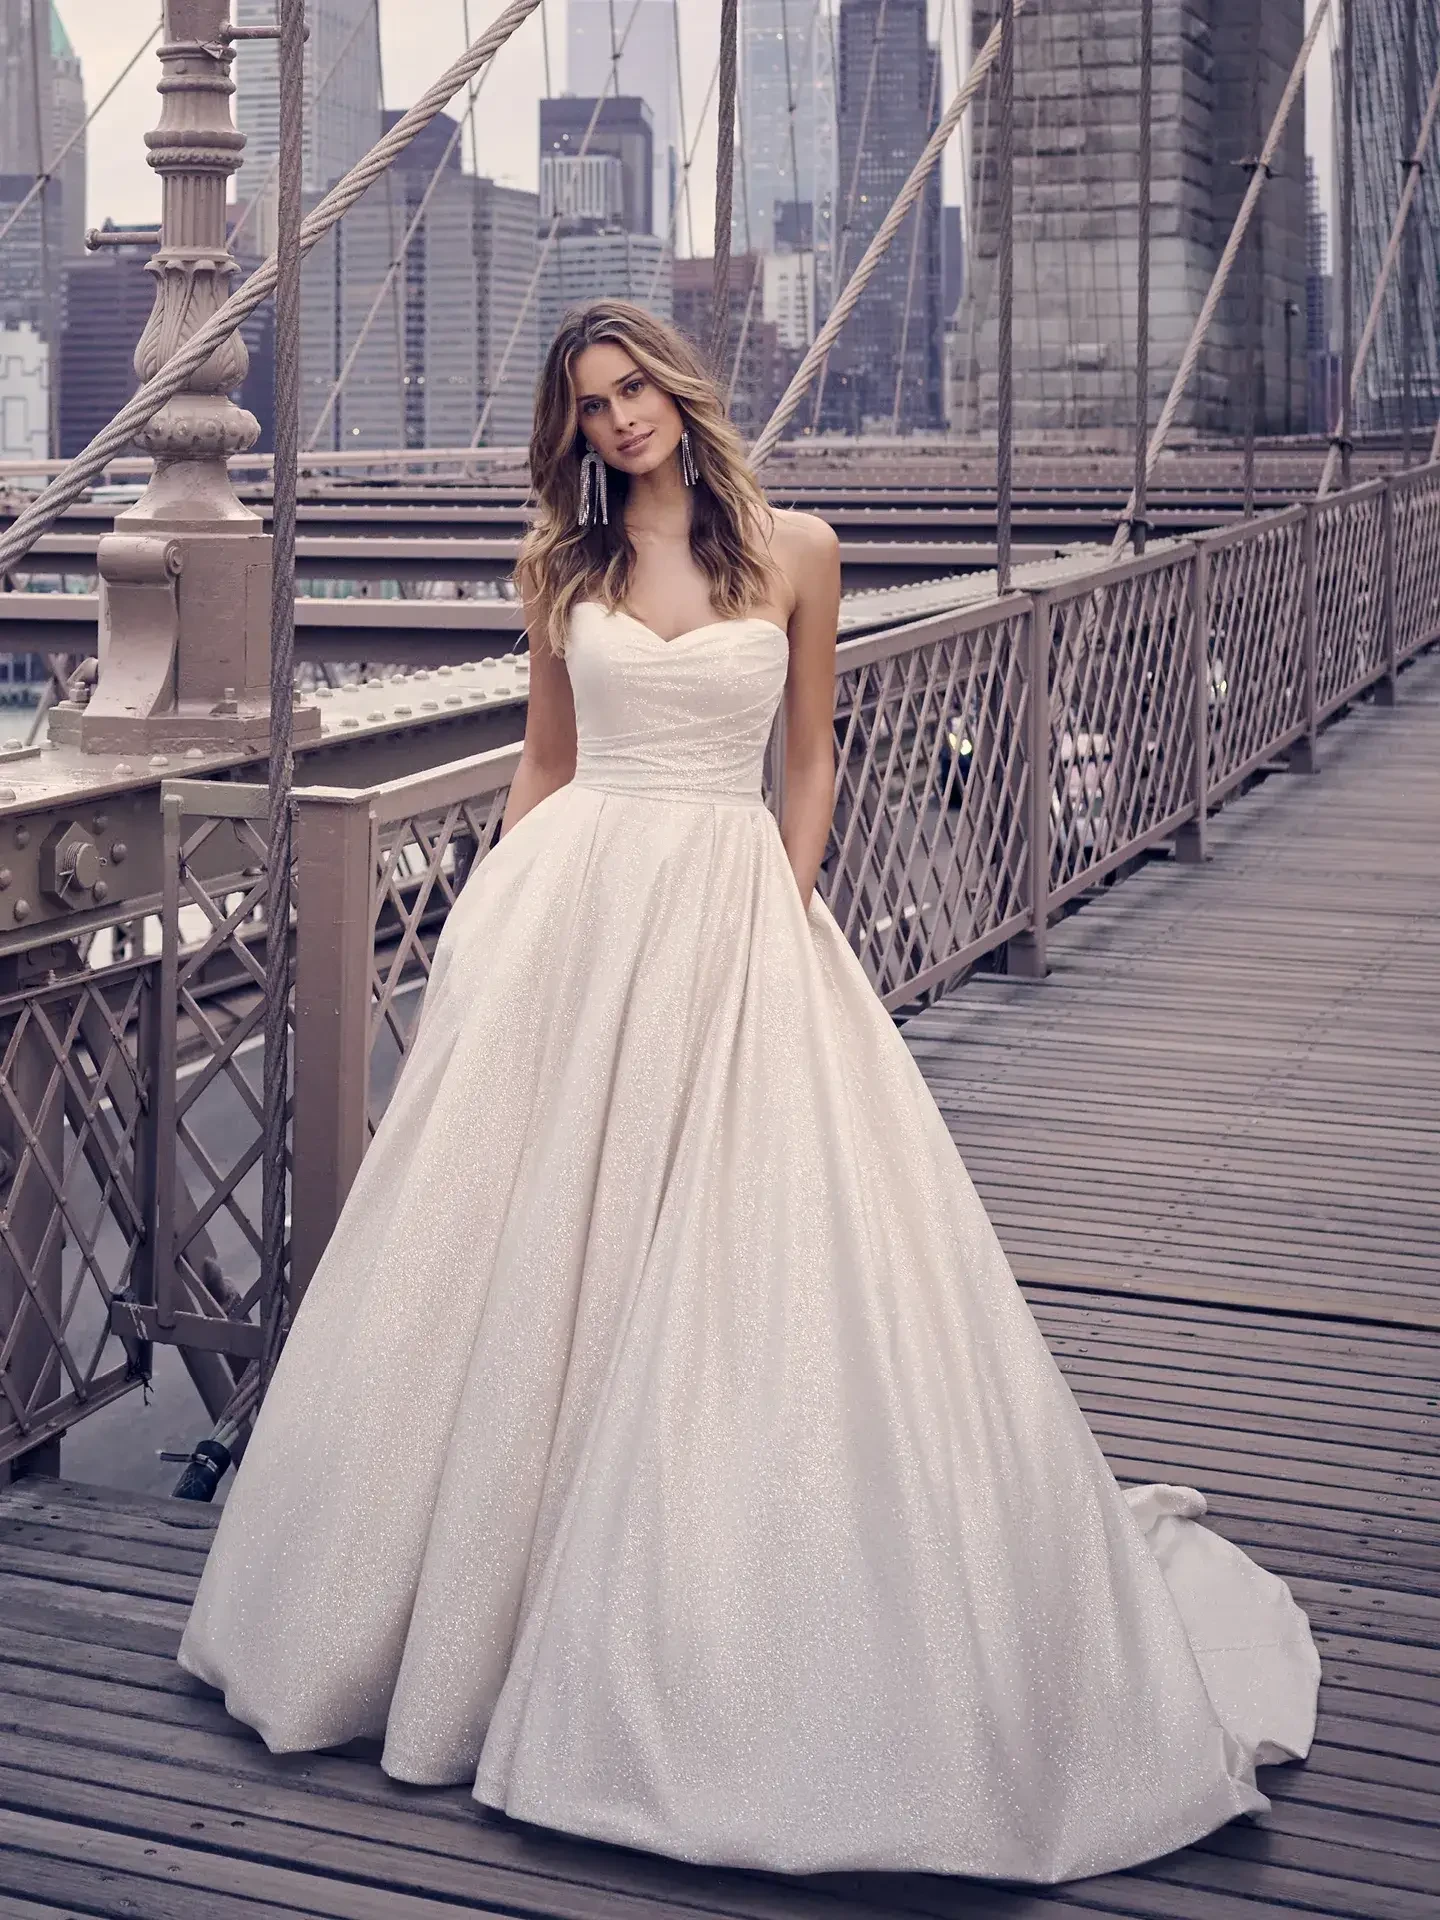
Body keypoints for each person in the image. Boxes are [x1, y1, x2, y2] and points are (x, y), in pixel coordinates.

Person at [178, 300, 1319, 1884]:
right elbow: (548, 759)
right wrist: (495, 915)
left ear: (679, 390)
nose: (620, 421)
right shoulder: (559, 567)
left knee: (737, 1264)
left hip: (729, 907)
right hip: (571, 918)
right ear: (568, 429)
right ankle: (461, 1622)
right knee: (520, 1258)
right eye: (589, 406)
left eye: (634, 389)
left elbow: (810, 759)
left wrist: (778, 910)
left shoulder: (799, 551)